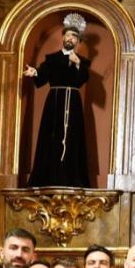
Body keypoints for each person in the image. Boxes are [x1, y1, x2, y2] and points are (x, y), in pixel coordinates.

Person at [26, 11, 93, 188]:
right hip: (55, 103)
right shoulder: (52, 59)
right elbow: (43, 75)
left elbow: (83, 79)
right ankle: (49, 179)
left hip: (73, 103)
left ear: (78, 41)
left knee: (72, 139)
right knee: (51, 139)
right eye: (68, 35)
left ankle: (72, 180)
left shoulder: (82, 62)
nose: (71, 39)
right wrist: (35, 72)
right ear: (63, 37)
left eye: (74, 37)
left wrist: (77, 63)